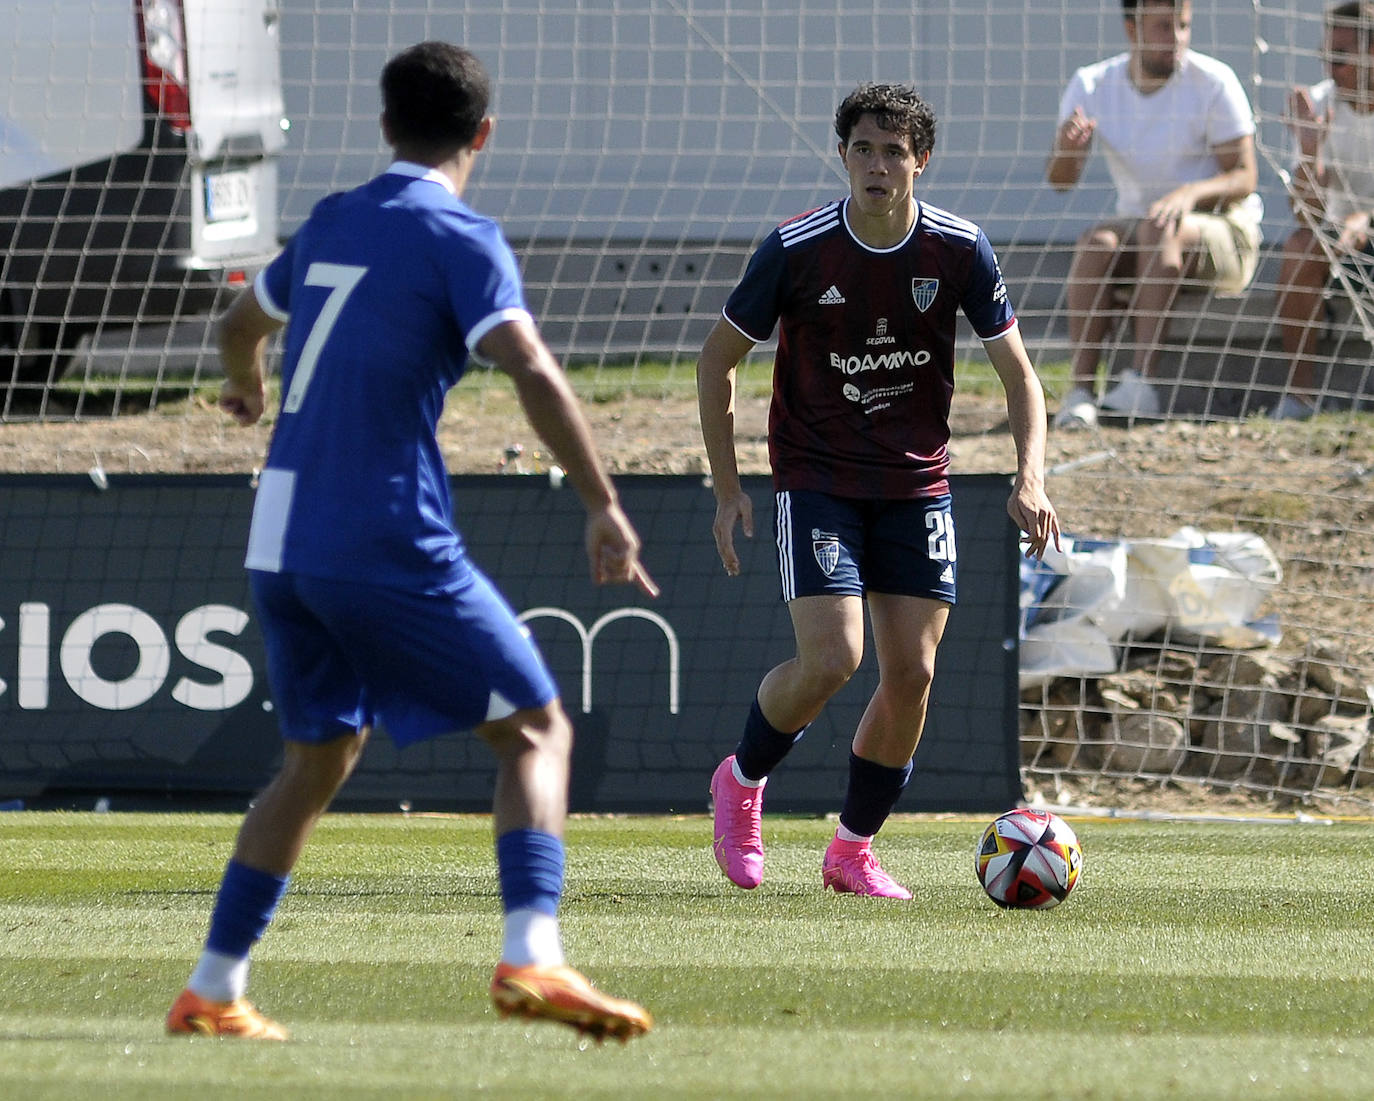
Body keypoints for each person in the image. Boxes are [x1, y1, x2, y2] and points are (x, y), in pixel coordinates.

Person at [164, 42, 656, 1043]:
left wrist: (246, 385)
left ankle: (212, 988)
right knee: (535, 728)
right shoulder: (459, 237)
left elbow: (235, 325)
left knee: (318, 758)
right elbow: (528, 363)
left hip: (281, 539)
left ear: (384, 125)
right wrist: (603, 501)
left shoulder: (334, 218)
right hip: (379, 528)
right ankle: (533, 958)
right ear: (484, 134)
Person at [697, 83, 1060, 899]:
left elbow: (1020, 375)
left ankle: (852, 849)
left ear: (920, 161)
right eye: (863, 147)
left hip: (916, 485)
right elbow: (717, 359)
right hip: (817, 478)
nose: (877, 164)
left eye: (894, 150)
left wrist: (1029, 477)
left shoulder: (961, 250)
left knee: (913, 673)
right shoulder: (796, 249)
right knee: (834, 657)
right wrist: (728, 489)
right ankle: (741, 781)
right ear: (843, 156)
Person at [1046, 0, 1263, 428]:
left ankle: (1141, 384)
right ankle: (1082, 393)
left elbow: (1244, 177)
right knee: (1097, 242)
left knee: (1159, 227)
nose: (1177, 39)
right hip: (1144, 227)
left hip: (1226, 231)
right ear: (1132, 30)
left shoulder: (1213, 80)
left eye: (1183, 26)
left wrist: (1190, 194)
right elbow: (1060, 180)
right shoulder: (1092, 84)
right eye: (1164, 27)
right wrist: (1070, 150)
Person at [1273, 1, 1374, 421]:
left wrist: (1366, 221)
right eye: (1326, 56)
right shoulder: (1317, 105)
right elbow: (1304, 215)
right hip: (1338, 241)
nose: (1331, 69)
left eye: (1342, 57)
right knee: (1299, 249)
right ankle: (1300, 396)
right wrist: (1310, 152)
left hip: (1362, 230)